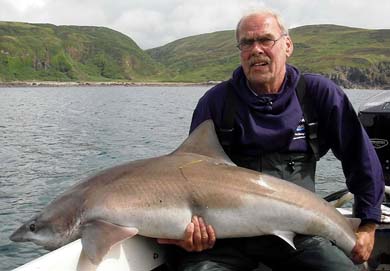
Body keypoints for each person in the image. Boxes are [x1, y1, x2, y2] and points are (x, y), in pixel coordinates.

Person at [158, 8, 385, 271]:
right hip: (225, 239)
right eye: (246, 42)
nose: (256, 49)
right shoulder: (216, 103)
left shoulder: (318, 95)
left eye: (266, 40)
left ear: (287, 45)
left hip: (298, 232)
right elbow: (189, 177)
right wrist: (187, 234)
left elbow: (361, 158)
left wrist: (368, 223)